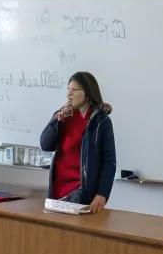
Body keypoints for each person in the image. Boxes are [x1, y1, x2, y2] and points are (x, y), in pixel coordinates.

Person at [40, 71, 116, 212]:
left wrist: (102, 194)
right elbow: (45, 144)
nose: (69, 94)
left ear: (88, 93)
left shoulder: (101, 121)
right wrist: (56, 121)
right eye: (68, 90)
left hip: (81, 191)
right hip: (57, 189)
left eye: (74, 90)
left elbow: (109, 161)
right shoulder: (63, 115)